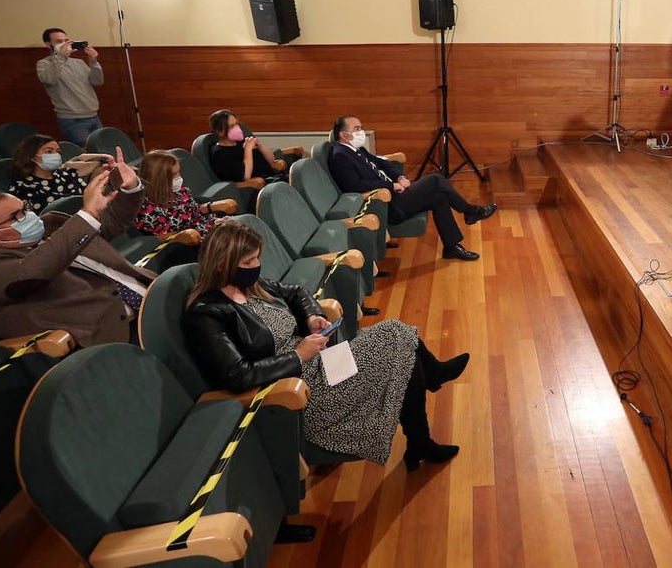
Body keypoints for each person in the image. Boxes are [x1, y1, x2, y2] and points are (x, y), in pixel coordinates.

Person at [182, 221, 468, 470]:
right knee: (403, 354)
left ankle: (422, 434)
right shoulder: (207, 312)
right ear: (222, 263)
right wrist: (298, 355)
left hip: (316, 362)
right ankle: (424, 428)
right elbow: (237, 374)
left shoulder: (250, 286)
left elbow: (295, 291)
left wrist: (312, 315)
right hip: (300, 386)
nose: (256, 266)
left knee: (397, 337)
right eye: (248, 262)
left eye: (257, 258)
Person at [0, 149, 151, 346]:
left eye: (26, 208)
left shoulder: (51, 225)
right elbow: (33, 271)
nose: (29, 217)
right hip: (117, 333)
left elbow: (111, 222)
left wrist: (130, 187)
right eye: (17, 216)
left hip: (151, 296)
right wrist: (88, 213)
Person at [329, 116, 496, 261]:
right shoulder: (340, 156)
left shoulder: (357, 149)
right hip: (386, 205)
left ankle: (451, 247)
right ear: (344, 135)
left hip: (396, 194)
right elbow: (354, 186)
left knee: (439, 197)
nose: (361, 132)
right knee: (436, 179)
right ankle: (470, 211)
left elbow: (385, 163)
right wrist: (391, 186)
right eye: (357, 129)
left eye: (361, 128)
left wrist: (400, 177)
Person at [135, 150, 237, 243]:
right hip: (193, 242)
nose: (179, 177)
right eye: (174, 174)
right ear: (159, 178)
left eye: (178, 172)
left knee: (246, 223)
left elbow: (195, 212)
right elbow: (160, 238)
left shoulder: (181, 192)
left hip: (209, 226)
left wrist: (217, 221)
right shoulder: (146, 207)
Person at [8, 134, 112, 212]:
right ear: (32, 156)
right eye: (49, 152)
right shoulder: (23, 187)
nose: (56, 155)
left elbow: (90, 198)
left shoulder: (67, 174)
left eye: (57, 151)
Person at [36, 28, 104, 146]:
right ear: (48, 44)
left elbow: (97, 81)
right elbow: (48, 79)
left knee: (103, 150)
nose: (64, 44)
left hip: (93, 115)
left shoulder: (78, 62)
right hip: (73, 120)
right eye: (59, 41)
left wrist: (93, 62)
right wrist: (60, 57)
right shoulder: (44, 64)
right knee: (88, 155)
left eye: (66, 40)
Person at [207, 109, 289, 184]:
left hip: (274, 178)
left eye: (237, 124)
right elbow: (245, 176)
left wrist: (260, 146)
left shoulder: (241, 142)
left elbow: (272, 162)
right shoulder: (219, 153)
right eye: (232, 126)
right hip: (261, 187)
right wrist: (248, 150)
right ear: (220, 132)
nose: (237, 128)